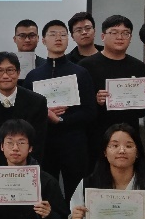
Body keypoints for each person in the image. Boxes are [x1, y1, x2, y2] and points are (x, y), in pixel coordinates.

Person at [24, 19, 97, 200]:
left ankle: (75, 218)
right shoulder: (33, 76)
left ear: (68, 39)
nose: (58, 38)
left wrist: (62, 120)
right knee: (46, 191)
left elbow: (90, 111)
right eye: (53, 34)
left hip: (74, 142)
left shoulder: (80, 73)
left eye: (63, 35)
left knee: (76, 191)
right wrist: (44, 114)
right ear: (43, 40)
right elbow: (26, 113)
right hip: (44, 143)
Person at [0, 51, 49, 204]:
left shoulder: (37, 101)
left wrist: (32, 175)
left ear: (18, 72)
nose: (5, 76)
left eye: (10, 70)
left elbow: (38, 144)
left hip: (25, 172)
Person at [79, 15, 145, 158]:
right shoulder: (86, 66)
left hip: (129, 136)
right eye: (114, 32)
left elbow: (141, 112)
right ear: (103, 36)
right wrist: (96, 101)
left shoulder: (138, 67)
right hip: (97, 137)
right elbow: (79, 108)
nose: (120, 37)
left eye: (125, 33)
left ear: (130, 38)